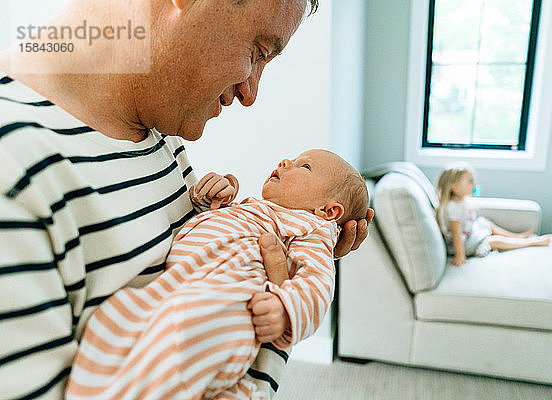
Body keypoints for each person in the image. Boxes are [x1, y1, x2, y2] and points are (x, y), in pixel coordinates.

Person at [0, 1, 374, 398]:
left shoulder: (162, 140)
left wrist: (289, 266)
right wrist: (275, 325)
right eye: (257, 52)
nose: (250, 94)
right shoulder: (15, 169)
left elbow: (207, 289)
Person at [66, 149, 369, 399]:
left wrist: (285, 309)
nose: (284, 163)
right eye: (290, 159)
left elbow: (318, 282)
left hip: (227, 299)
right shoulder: (257, 210)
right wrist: (211, 200)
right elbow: (209, 227)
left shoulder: (312, 230)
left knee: (176, 351)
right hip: (177, 288)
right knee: (115, 322)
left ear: (329, 212)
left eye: (304, 166)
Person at [435, 162, 550, 267]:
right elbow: (456, 233)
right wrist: (460, 255)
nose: (474, 184)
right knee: (492, 241)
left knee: (485, 223)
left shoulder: (459, 202)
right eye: (470, 181)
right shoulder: (453, 207)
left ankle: (517, 236)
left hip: (468, 234)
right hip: (462, 245)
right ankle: (530, 242)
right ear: (454, 186)